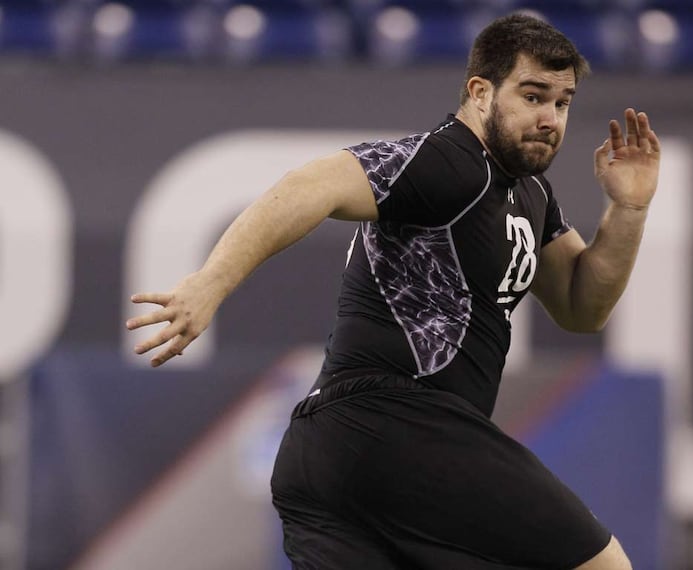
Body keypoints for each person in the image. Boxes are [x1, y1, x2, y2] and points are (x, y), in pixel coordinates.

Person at [126, 13, 659, 569]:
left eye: (563, 103)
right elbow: (315, 184)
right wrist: (210, 283)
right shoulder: (452, 161)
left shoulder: (530, 195)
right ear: (480, 92)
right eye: (532, 96)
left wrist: (628, 208)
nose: (550, 118)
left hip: (325, 455)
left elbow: (582, 306)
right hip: (401, 425)